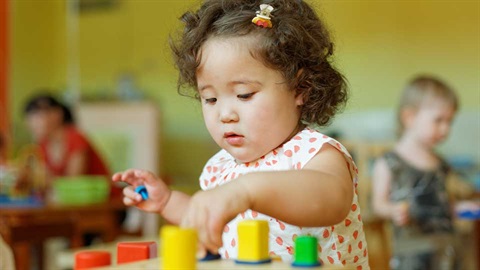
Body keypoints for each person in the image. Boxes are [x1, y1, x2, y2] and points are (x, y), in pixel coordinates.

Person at [113, 0, 369, 268]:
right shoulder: (219, 167)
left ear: (300, 88)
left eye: (244, 94)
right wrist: (168, 201)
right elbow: (210, 217)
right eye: (210, 99)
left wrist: (246, 190)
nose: (225, 114)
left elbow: (331, 199)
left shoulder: (315, 153)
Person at [372, 75, 470, 270]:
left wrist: (461, 208)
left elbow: (443, 204)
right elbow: (378, 205)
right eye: (439, 120)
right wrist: (393, 210)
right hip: (411, 254)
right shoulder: (390, 163)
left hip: (447, 250)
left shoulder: (441, 164)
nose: (445, 129)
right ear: (410, 117)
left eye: (450, 121)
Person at [24, 93, 110, 180]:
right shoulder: (42, 145)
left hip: (105, 193)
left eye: (38, 115)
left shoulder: (75, 138)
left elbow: (72, 181)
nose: (32, 123)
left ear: (58, 114)